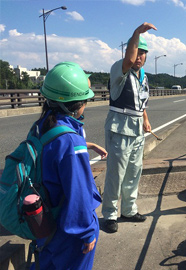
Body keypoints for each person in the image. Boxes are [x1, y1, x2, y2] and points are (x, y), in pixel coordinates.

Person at [32, 61, 105, 269]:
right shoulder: (72, 141)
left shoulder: (41, 127)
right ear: (78, 104)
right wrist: (88, 231)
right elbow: (79, 193)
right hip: (68, 232)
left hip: (43, 224)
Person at [102, 22, 157, 233]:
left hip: (136, 128)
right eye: (138, 52)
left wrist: (145, 118)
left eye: (144, 53)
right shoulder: (120, 69)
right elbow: (129, 59)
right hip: (120, 126)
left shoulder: (144, 76)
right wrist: (136, 33)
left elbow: (141, 102)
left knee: (134, 171)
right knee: (116, 173)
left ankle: (128, 209)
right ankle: (109, 214)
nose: (140, 57)